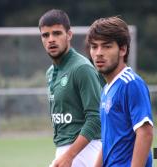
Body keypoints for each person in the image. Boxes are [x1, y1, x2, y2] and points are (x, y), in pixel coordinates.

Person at [86, 16, 154, 167]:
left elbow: (145, 133)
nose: (98, 53)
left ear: (123, 49)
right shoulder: (106, 89)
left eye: (106, 46)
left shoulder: (131, 83)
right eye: (94, 46)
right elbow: (108, 142)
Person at [38, 9, 102, 167]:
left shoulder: (82, 68)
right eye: (45, 35)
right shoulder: (50, 72)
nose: (51, 39)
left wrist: (70, 155)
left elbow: (95, 118)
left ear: (69, 35)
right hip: (65, 150)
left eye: (57, 33)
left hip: (86, 150)